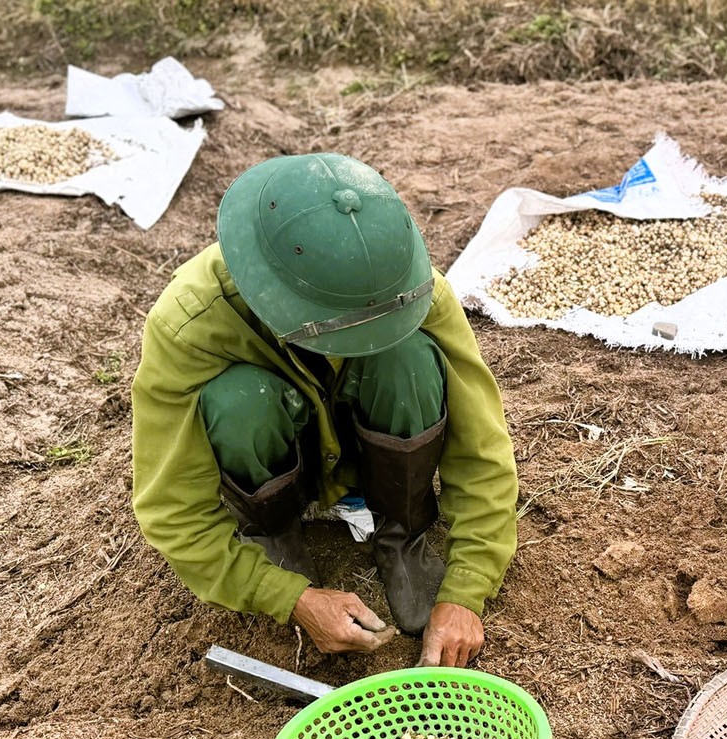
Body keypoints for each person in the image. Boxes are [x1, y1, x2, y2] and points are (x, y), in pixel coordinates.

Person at [132, 154, 517, 666]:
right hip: (281, 456)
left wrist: (466, 590)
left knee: (407, 358)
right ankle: (275, 536)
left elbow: (482, 450)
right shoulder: (190, 322)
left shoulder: (412, 293)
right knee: (240, 399)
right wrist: (286, 596)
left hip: (366, 452)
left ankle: (401, 538)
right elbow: (172, 509)